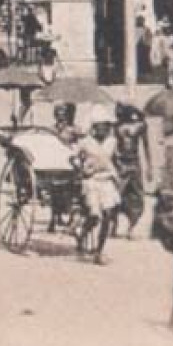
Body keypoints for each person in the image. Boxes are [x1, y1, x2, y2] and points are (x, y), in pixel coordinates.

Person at [73, 105, 123, 265]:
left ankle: (99, 251)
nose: (106, 128)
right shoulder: (85, 142)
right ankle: (82, 235)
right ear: (95, 127)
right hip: (91, 181)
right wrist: (80, 168)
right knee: (94, 216)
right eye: (102, 125)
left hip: (107, 180)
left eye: (108, 125)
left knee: (108, 215)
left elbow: (114, 160)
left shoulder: (112, 142)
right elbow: (73, 158)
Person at [114, 103, 152, 238]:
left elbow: (146, 146)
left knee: (136, 196)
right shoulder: (117, 127)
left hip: (132, 162)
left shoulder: (138, 126)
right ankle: (115, 225)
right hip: (121, 163)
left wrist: (149, 166)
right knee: (116, 196)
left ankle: (130, 227)